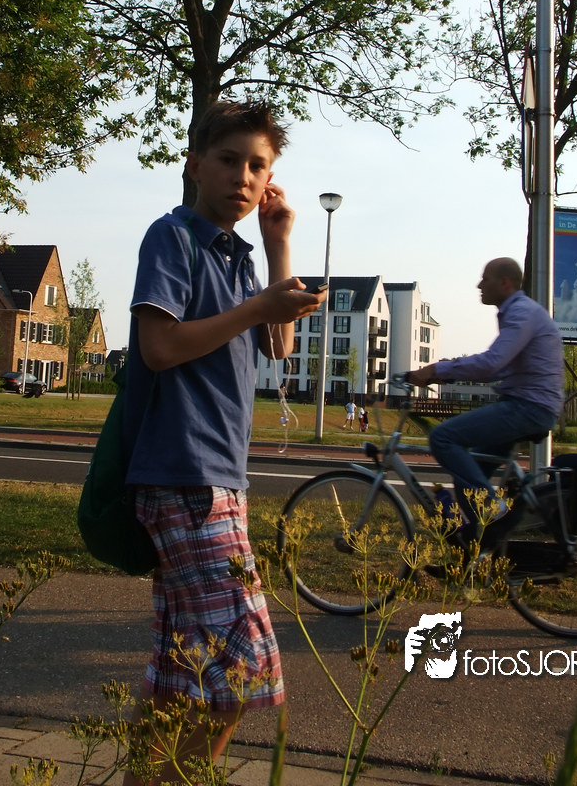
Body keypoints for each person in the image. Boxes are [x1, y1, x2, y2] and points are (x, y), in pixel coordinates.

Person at [121, 99, 326, 786]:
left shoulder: (240, 254)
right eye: (229, 159)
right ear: (195, 165)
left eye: (258, 166)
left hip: (215, 480)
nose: (243, 176)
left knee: (180, 672)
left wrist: (277, 244)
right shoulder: (172, 237)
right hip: (184, 475)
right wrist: (258, 306)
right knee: (242, 670)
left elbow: (278, 344)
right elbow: (158, 347)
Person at [404, 257, 564, 542]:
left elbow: (492, 363)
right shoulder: (517, 312)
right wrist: (440, 376)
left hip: (529, 407)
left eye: (485, 278)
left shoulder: (521, 313)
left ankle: (494, 510)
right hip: (529, 404)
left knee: (442, 437)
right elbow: (500, 368)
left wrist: (435, 370)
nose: (479, 284)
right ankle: (479, 548)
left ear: (505, 283)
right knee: (469, 472)